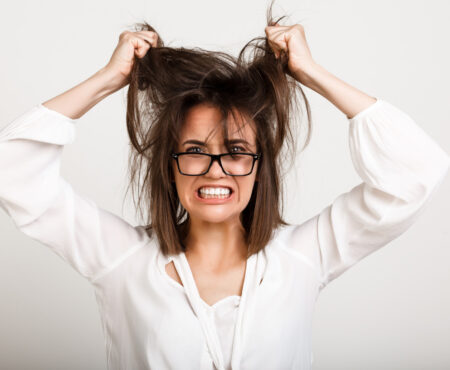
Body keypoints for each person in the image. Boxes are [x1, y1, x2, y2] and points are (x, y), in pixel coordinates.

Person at [1, 7, 448, 370]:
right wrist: (106, 80)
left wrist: (311, 74)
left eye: (236, 151)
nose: (215, 171)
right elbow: (12, 173)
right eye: (195, 150)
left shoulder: (304, 255)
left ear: (259, 168)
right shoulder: (121, 259)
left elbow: (416, 173)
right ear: (169, 166)